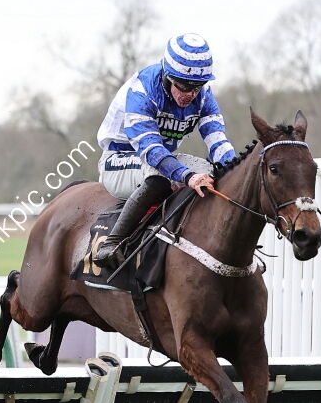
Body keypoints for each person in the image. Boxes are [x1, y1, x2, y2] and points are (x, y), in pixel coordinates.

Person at [93, 33, 236, 270]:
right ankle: (112, 244)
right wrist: (189, 176)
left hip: (163, 160)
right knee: (160, 176)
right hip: (118, 159)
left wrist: (236, 169)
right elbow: (151, 151)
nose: (190, 94)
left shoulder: (203, 98)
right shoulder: (142, 90)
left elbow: (218, 143)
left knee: (213, 174)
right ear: (168, 76)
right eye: (183, 85)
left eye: (197, 86)